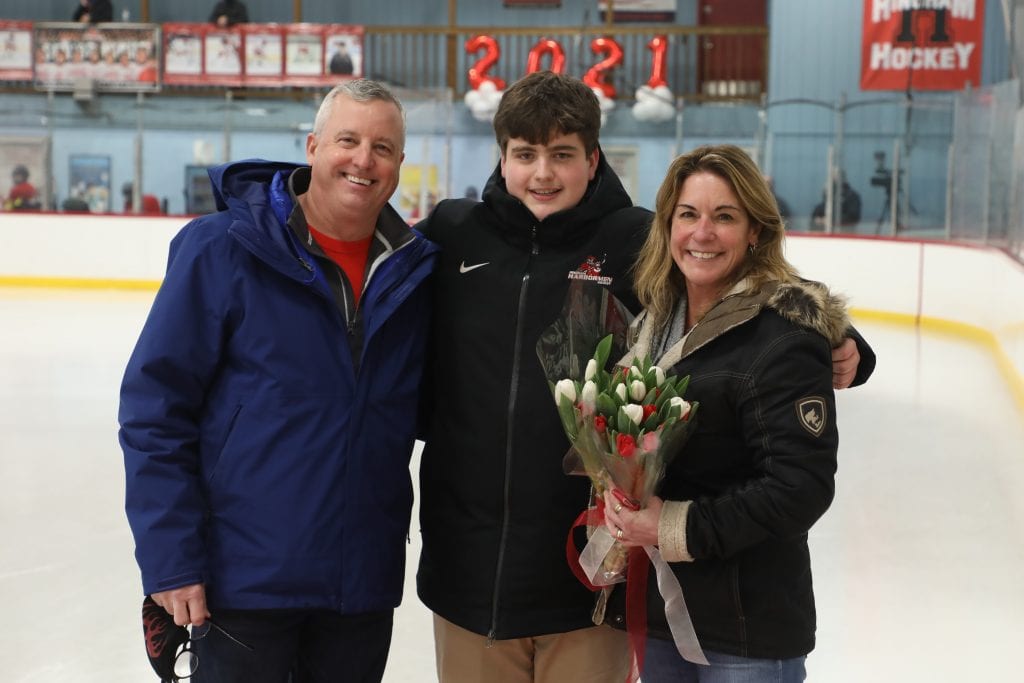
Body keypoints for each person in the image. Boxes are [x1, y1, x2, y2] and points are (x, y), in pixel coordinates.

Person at [414, 71, 874, 683]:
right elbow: (374, 282)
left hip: (590, 580)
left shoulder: (634, 238)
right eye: (525, 155)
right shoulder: (453, 233)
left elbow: (755, 289)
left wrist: (843, 339)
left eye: (562, 155)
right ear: (502, 158)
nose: (543, 173)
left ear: (592, 159)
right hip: (468, 575)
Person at [119, 79, 437, 682]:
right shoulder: (221, 250)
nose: (363, 160)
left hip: (358, 586)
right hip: (242, 582)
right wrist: (170, 558)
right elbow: (155, 411)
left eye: (382, 148)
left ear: (399, 163)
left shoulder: (414, 272)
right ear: (313, 147)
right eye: (347, 140)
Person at [601, 144, 863, 681]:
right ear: (667, 226)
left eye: (724, 217)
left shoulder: (784, 336)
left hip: (747, 629)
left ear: (755, 232)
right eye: (688, 215)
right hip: (663, 612)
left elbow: (800, 487)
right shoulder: (652, 325)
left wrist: (674, 526)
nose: (702, 233)